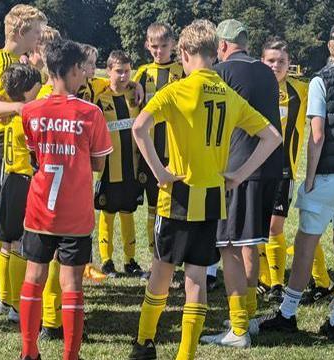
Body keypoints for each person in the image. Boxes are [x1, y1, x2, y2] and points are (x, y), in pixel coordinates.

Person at [128, 19, 282, 360]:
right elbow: (273, 136)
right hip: (214, 197)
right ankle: (186, 355)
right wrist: (239, 174)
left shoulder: (178, 90)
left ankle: (144, 343)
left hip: (179, 195)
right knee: (196, 278)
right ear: (216, 53)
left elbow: (139, 127)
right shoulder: (228, 94)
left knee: (161, 273)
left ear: (183, 53)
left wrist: (160, 173)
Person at [258, 20, 334, 341]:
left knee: (303, 249)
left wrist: (309, 178)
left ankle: (287, 314)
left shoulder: (320, 80)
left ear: (330, 46)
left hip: (326, 175)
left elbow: (317, 135)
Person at [18, 39, 113, 360]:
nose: (86, 75)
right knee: (72, 283)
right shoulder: (91, 113)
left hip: (40, 208)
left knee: (34, 277)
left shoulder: (30, 111)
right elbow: (99, 163)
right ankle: (70, 355)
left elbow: (35, 154)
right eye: (83, 70)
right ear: (74, 69)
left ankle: (29, 351)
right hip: (75, 210)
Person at [199, 19, 283, 347]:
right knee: (250, 243)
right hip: (270, 166)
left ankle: (237, 329)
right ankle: (247, 315)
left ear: (221, 46)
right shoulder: (266, 70)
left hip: (240, 169)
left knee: (229, 247)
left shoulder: (222, 72)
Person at [260, 37, 334, 305]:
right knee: (259, 226)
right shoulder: (254, 87)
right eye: (270, 60)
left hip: (283, 170)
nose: (275, 65)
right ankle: (266, 278)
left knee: (273, 226)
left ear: (289, 64)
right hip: (254, 169)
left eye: (281, 61)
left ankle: (278, 284)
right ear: (262, 61)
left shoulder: (301, 90)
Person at [0, 4, 46, 305]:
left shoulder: (17, 58)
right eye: (36, 34)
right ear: (21, 32)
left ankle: (1, 289)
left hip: (8, 143)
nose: (38, 39)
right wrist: (21, 108)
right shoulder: (2, 61)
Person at [132, 23, 185, 279]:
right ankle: (157, 260)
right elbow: (116, 85)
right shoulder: (142, 73)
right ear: (147, 45)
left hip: (176, 151)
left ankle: (176, 259)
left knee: (175, 209)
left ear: (173, 45)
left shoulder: (182, 71)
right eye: (154, 46)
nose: (159, 51)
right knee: (153, 209)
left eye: (164, 46)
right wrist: (133, 86)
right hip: (150, 153)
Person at [0, 63, 42, 322]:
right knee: (21, 244)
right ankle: (16, 306)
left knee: (7, 243)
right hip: (24, 182)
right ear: (29, 89)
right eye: (38, 85)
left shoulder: (11, 113)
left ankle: (4, 298)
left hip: (10, 181)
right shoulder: (28, 115)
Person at [94, 50, 146, 278]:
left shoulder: (135, 95)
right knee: (107, 213)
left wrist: (136, 83)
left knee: (128, 213)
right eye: (118, 71)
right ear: (108, 71)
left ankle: (130, 260)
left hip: (131, 166)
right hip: (108, 167)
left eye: (127, 71)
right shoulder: (100, 95)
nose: (123, 76)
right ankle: (106, 260)